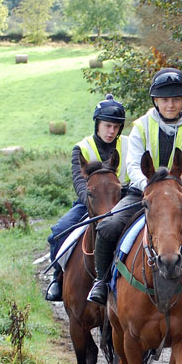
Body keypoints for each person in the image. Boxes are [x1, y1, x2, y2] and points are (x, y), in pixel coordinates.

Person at [86, 68, 182, 305]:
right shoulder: (140, 126)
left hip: (178, 195)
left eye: (176, 99)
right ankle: (101, 280)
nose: (171, 104)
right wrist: (150, 189)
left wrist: (180, 192)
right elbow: (133, 164)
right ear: (156, 101)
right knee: (109, 226)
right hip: (143, 193)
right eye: (165, 100)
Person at [45, 94, 127, 302]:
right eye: (107, 126)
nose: (111, 131)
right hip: (90, 204)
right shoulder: (82, 147)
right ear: (98, 124)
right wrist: (91, 201)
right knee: (58, 232)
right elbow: (79, 182)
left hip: (123, 204)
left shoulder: (129, 145)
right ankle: (58, 278)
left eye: (116, 127)